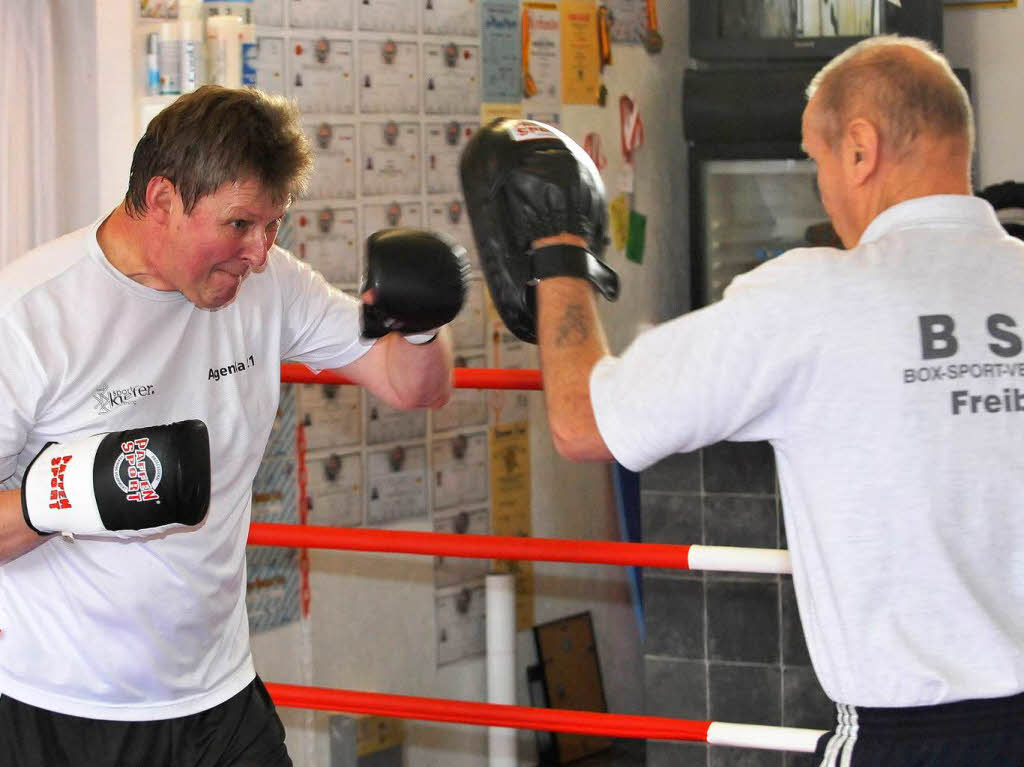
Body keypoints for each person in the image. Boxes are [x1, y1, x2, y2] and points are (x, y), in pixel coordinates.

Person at [461, 37, 1024, 765]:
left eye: (818, 161)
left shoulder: (812, 299)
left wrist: (559, 252)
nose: (820, 185)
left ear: (860, 149)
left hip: (914, 737)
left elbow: (582, 420)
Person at [0, 85, 467, 766]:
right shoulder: (32, 316)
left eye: (273, 225)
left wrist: (424, 326)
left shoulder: (270, 284)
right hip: (62, 707)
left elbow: (408, 383)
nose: (258, 251)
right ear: (162, 201)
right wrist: (64, 498)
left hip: (219, 699)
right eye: (240, 224)